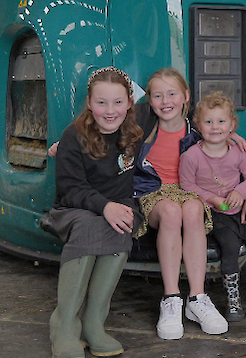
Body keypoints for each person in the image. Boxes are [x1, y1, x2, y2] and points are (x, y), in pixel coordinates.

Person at [45, 67, 143, 358]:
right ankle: (63, 325)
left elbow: (173, 105)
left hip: (117, 205)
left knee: (123, 222)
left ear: (129, 102)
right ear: (89, 103)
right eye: (101, 102)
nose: (110, 110)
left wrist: (229, 139)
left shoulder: (134, 131)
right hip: (75, 208)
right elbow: (70, 188)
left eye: (117, 102)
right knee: (90, 225)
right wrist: (106, 207)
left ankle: (93, 324)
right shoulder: (73, 137)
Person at [131, 68, 229, 339]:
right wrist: (67, 144)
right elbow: (104, 130)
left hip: (188, 189)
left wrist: (234, 139)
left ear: (185, 96)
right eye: (158, 95)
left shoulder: (195, 129)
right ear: (149, 100)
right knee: (173, 212)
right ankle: (171, 298)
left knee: (193, 208)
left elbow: (220, 134)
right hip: (153, 190)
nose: (166, 101)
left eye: (172, 94)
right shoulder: (142, 127)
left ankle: (197, 298)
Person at [179, 91, 246, 322]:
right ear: (198, 125)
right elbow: (187, 185)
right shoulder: (191, 156)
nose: (215, 127)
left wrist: (242, 193)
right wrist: (211, 198)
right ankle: (233, 301)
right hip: (219, 215)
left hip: (244, 211)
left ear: (232, 126)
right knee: (229, 250)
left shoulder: (238, 153)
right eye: (208, 122)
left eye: (221, 121)